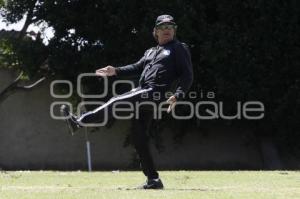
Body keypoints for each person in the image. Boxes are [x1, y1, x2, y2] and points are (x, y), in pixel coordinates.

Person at [61, 14, 193, 189]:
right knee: (138, 137)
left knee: (116, 100)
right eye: (162, 27)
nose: (167, 30)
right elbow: (136, 67)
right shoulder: (150, 52)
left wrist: (178, 94)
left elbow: (187, 75)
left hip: (154, 93)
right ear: (155, 32)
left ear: (174, 30)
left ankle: (79, 121)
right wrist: (114, 70)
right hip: (143, 92)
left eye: (170, 27)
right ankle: (153, 180)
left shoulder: (179, 48)